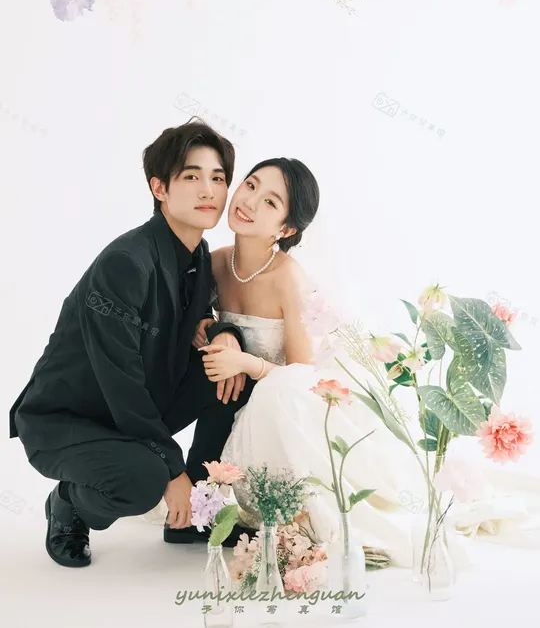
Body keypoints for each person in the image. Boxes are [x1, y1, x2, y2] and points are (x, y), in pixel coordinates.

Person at [142, 156, 540, 568]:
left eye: (271, 202)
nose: (250, 201)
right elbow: (190, 318)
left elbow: (301, 376)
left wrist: (246, 363)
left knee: (274, 392)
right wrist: (208, 328)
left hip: (286, 404)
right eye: (251, 185)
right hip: (229, 397)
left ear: (286, 228)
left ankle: (272, 512)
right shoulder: (215, 262)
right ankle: (195, 499)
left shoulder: (288, 279)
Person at [8, 120, 255, 569]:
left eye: (218, 178)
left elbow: (198, 314)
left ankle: (193, 514)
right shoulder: (125, 263)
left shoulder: (197, 253)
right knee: (144, 480)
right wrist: (172, 470)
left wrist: (223, 335)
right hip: (70, 420)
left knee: (232, 370)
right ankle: (68, 503)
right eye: (191, 176)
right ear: (159, 188)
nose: (209, 190)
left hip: (133, 405)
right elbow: (120, 381)